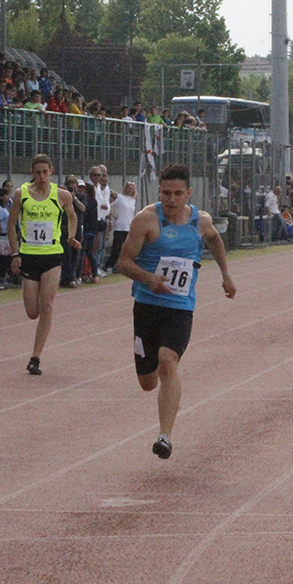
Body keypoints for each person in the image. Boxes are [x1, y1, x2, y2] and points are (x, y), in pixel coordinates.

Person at [117, 163, 236, 460]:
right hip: (147, 306)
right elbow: (123, 263)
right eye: (166, 193)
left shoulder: (200, 220)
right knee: (147, 382)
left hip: (180, 307)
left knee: (167, 362)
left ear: (188, 193)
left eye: (178, 194)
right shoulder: (146, 220)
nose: (171, 199)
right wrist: (149, 279)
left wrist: (225, 275)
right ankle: (156, 383)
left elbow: (214, 239)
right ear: (159, 191)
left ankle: (165, 436)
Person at [9, 154, 81, 375]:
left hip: (52, 255)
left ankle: (35, 357)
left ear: (51, 171)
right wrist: (15, 253)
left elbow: (72, 216)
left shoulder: (62, 195)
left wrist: (71, 237)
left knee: (47, 304)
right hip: (29, 255)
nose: (41, 176)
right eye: (37, 172)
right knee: (33, 312)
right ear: (32, 172)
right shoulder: (21, 194)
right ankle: (40, 324)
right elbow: (11, 224)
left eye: (45, 172)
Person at [106, 182, 136, 273]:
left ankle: (123, 266)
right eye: (129, 188)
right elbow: (109, 205)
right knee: (116, 248)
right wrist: (113, 215)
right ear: (125, 189)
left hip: (129, 227)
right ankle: (109, 265)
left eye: (132, 189)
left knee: (127, 249)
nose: (130, 190)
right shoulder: (120, 197)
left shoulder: (133, 200)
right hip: (119, 226)